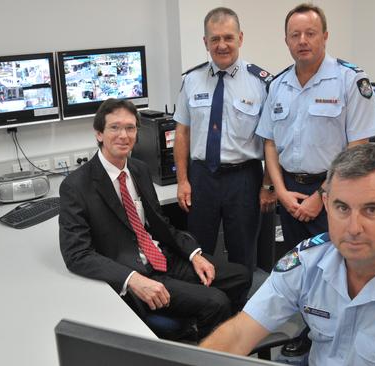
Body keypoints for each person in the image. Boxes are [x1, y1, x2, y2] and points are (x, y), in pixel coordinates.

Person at [200, 144, 375, 365]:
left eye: (371, 209)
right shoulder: (308, 262)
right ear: (325, 204)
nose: (353, 228)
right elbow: (238, 334)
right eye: (342, 208)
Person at [59, 99, 251, 340]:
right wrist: (132, 280)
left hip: (162, 257)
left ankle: (215, 334)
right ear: (99, 133)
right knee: (217, 302)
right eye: (115, 127)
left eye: (130, 128)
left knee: (240, 276)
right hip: (134, 270)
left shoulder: (138, 170)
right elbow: (76, 254)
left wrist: (194, 255)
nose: (124, 135)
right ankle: (200, 347)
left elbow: (161, 224)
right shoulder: (76, 185)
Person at [254, 3, 375, 355]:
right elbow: (269, 141)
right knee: (303, 268)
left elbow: (358, 148)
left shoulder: (349, 80)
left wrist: (321, 195)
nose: (302, 41)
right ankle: (307, 331)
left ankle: (345, 337)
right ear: (286, 40)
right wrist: (280, 190)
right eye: (295, 35)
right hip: (290, 190)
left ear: (325, 36)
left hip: (336, 192)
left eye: (310, 33)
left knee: (341, 266)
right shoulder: (278, 84)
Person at [173, 7, 275, 273]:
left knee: (243, 253)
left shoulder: (262, 83)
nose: (222, 45)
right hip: (202, 177)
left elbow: (271, 140)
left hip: (244, 178)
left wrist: (267, 185)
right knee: (199, 251)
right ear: (205, 42)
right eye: (215, 39)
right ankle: (207, 310)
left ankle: (241, 309)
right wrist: (183, 180)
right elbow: (182, 132)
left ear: (240, 38)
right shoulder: (191, 80)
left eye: (228, 38)